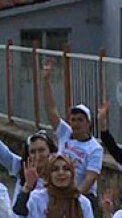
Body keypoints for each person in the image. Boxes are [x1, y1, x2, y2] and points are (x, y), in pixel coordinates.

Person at [42, 59, 103, 198]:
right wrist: (46, 82)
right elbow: (50, 109)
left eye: (80, 120)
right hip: (59, 189)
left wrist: (74, 198)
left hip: (81, 195)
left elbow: (90, 177)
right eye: (73, 119)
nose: (75, 123)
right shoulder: (65, 133)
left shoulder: (95, 148)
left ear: (89, 124)